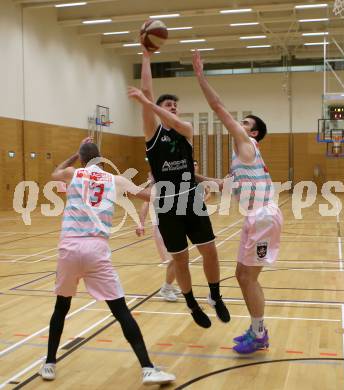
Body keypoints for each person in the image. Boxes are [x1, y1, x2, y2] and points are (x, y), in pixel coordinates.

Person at [39, 137, 175, 385]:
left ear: (82, 159)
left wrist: (73, 153)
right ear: (100, 159)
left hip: (69, 248)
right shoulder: (116, 180)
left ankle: (49, 363)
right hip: (96, 249)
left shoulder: (73, 173)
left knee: (61, 306)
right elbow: (149, 197)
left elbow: (54, 172)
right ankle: (147, 368)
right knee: (120, 310)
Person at [127, 48, 230, 329]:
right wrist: (146, 56)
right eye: (167, 104)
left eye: (174, 104)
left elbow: (165, 114)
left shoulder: (185, 128)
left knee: (210, 251)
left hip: (191, 200)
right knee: (180, 259)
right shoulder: (152, 134)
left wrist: (148, 103)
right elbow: (148, 91)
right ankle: (191, 302)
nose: (172, 107)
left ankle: (215, 295)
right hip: (167, 204)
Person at [193, 51, 283, 353]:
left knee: (248, 277)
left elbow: (218, 108)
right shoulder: (240, 158)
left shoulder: (247, 144)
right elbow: (222, 185)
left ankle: (260, 335)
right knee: (242, 276)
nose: (238, 124)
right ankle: (257, 330)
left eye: (244, 122)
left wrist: (200, 77)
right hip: (256, 218)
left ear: (253, 132)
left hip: (263, 217)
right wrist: (196, 176)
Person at [136, 171, 180, 302]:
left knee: (178, 258)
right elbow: (144, 206)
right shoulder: (153, 189)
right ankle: (166, 288)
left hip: (170, 226)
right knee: (173, 259)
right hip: (160, 228)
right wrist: (141, 224)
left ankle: (169, 286)